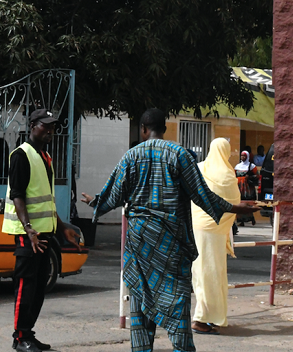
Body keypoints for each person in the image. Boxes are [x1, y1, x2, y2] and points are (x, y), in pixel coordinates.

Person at [81, 108, 255, 352]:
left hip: (140, 241)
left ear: (143, 129)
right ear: (164, 128)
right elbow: (202, 195)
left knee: (141, 295)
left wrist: (95, 202)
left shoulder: (131, 156)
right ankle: (181, 347)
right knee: (177, 299)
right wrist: (236, 208)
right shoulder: (180, 155)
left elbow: (113, 195)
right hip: (171, 242)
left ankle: (142, 348)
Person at [3, 108, 81, 352]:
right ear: (32, 126)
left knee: (39, 286)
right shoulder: (21, 155)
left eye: (53, 127)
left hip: (44, 233)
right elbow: (17, 195)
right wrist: (29, 230)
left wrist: (62, 228)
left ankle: (28, 333)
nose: (50, 131)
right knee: (25, 285)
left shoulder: (44, 157)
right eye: (45, 126)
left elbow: (45, 200)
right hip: (29, 235)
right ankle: (20, 338)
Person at [190, 138, 240, 335]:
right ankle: (200, 319)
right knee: (213, 274)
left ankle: (209, 317)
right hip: (216, 232)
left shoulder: (199, 169)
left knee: (201, 274)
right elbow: (234, 203)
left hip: (196, 228)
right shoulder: (228, 174)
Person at [234, 151, 258, 226]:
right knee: (239, 203)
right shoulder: (237, 166)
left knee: (247, 203)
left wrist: (249, 177)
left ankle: (251, 218)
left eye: (244, 156)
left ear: (247, 157)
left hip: (248, 189)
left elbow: (257, 176)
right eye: (241, 156)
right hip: (239, 188)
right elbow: (234, 175)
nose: (242, 157)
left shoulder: (252, 166)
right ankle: (241, 221)